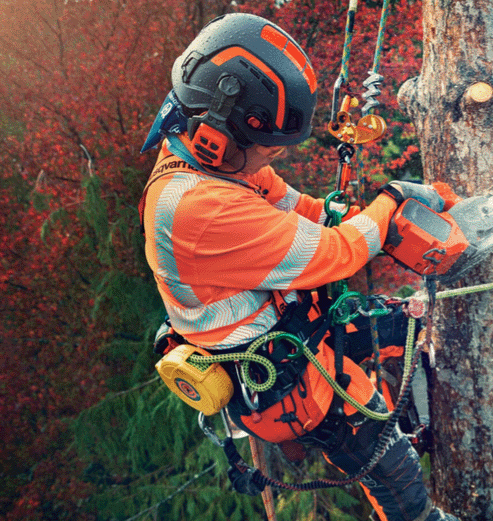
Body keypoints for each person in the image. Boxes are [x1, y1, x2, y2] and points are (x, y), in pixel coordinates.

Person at [138, 13, 458, 521]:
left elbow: (301, 209)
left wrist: (375, 220)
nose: (270, 158)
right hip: (282, 380)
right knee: (383, 457)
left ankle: (424, 418)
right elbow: (335, 255)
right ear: (217, 134)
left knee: (405, 331)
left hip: (296, 330)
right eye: (265, 146)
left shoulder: (217, 166)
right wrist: (391, 202)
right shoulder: (198, 207)